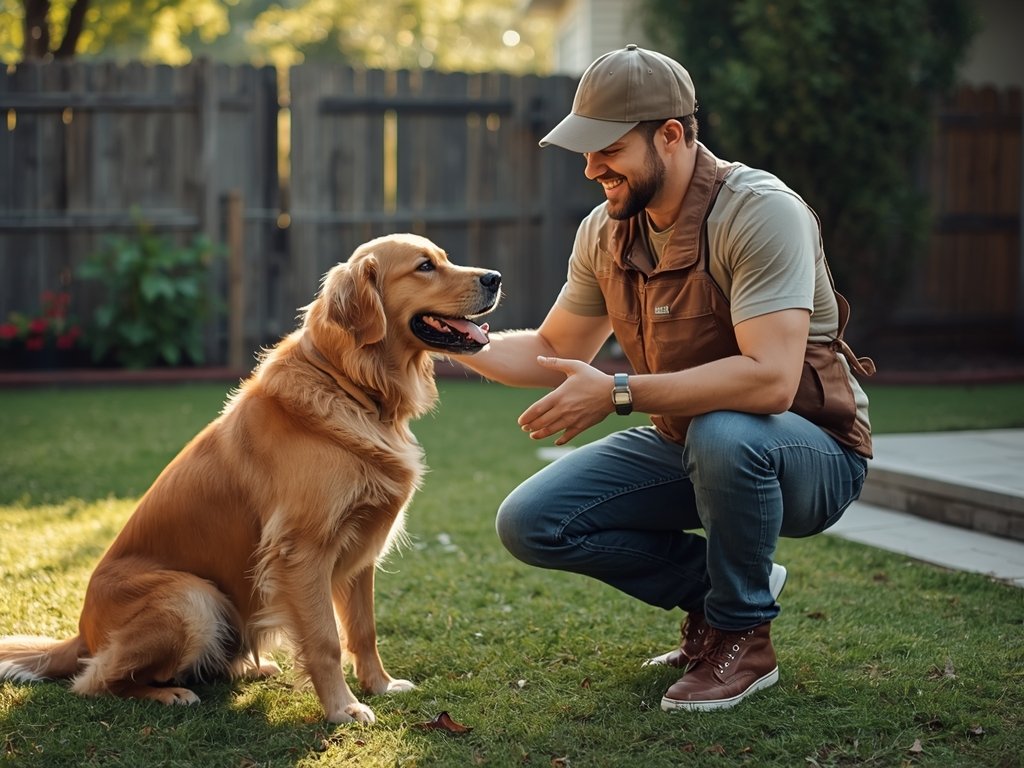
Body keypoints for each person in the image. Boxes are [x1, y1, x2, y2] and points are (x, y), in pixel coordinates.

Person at [452, 44, 876, 712]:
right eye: (586, 151)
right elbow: (552, 346)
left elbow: (769, 382)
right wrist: (444, 335)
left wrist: (619, 391)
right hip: (689, 441)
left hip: (809, 453)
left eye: (608, 150)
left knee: (728, 433)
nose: (591, 169)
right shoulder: (606, 231)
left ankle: (744, 636)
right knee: (533, 522)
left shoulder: (760, 211)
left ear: (671, 136)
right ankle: (719, 596)